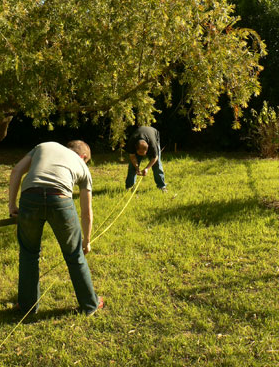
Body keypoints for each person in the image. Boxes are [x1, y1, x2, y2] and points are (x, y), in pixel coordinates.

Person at [9, 140, 103, 316]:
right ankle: (90, 305)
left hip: (30, 197)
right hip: (60, 200)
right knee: (75, 255)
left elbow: (16, 171)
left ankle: (27, 307)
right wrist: (86, 241)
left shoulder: (44, 146)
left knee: (29, 254)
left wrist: (12, 206)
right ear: (83, 157)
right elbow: (86, 212)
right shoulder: (83, 167)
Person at [125, 126, 167, 191]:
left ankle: (162, 186)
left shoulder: (153, 145)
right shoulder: (132, 142)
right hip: (140, 136)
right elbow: (132, 156)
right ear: (136, 149)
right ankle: (129, 187)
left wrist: (147, 168)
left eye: (144, 153)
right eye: (140, 153)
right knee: (132, 166)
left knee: (157, 165)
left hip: (153, 134)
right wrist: (136, 167)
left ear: (147, 150)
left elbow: (155, 157)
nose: (143, 155)